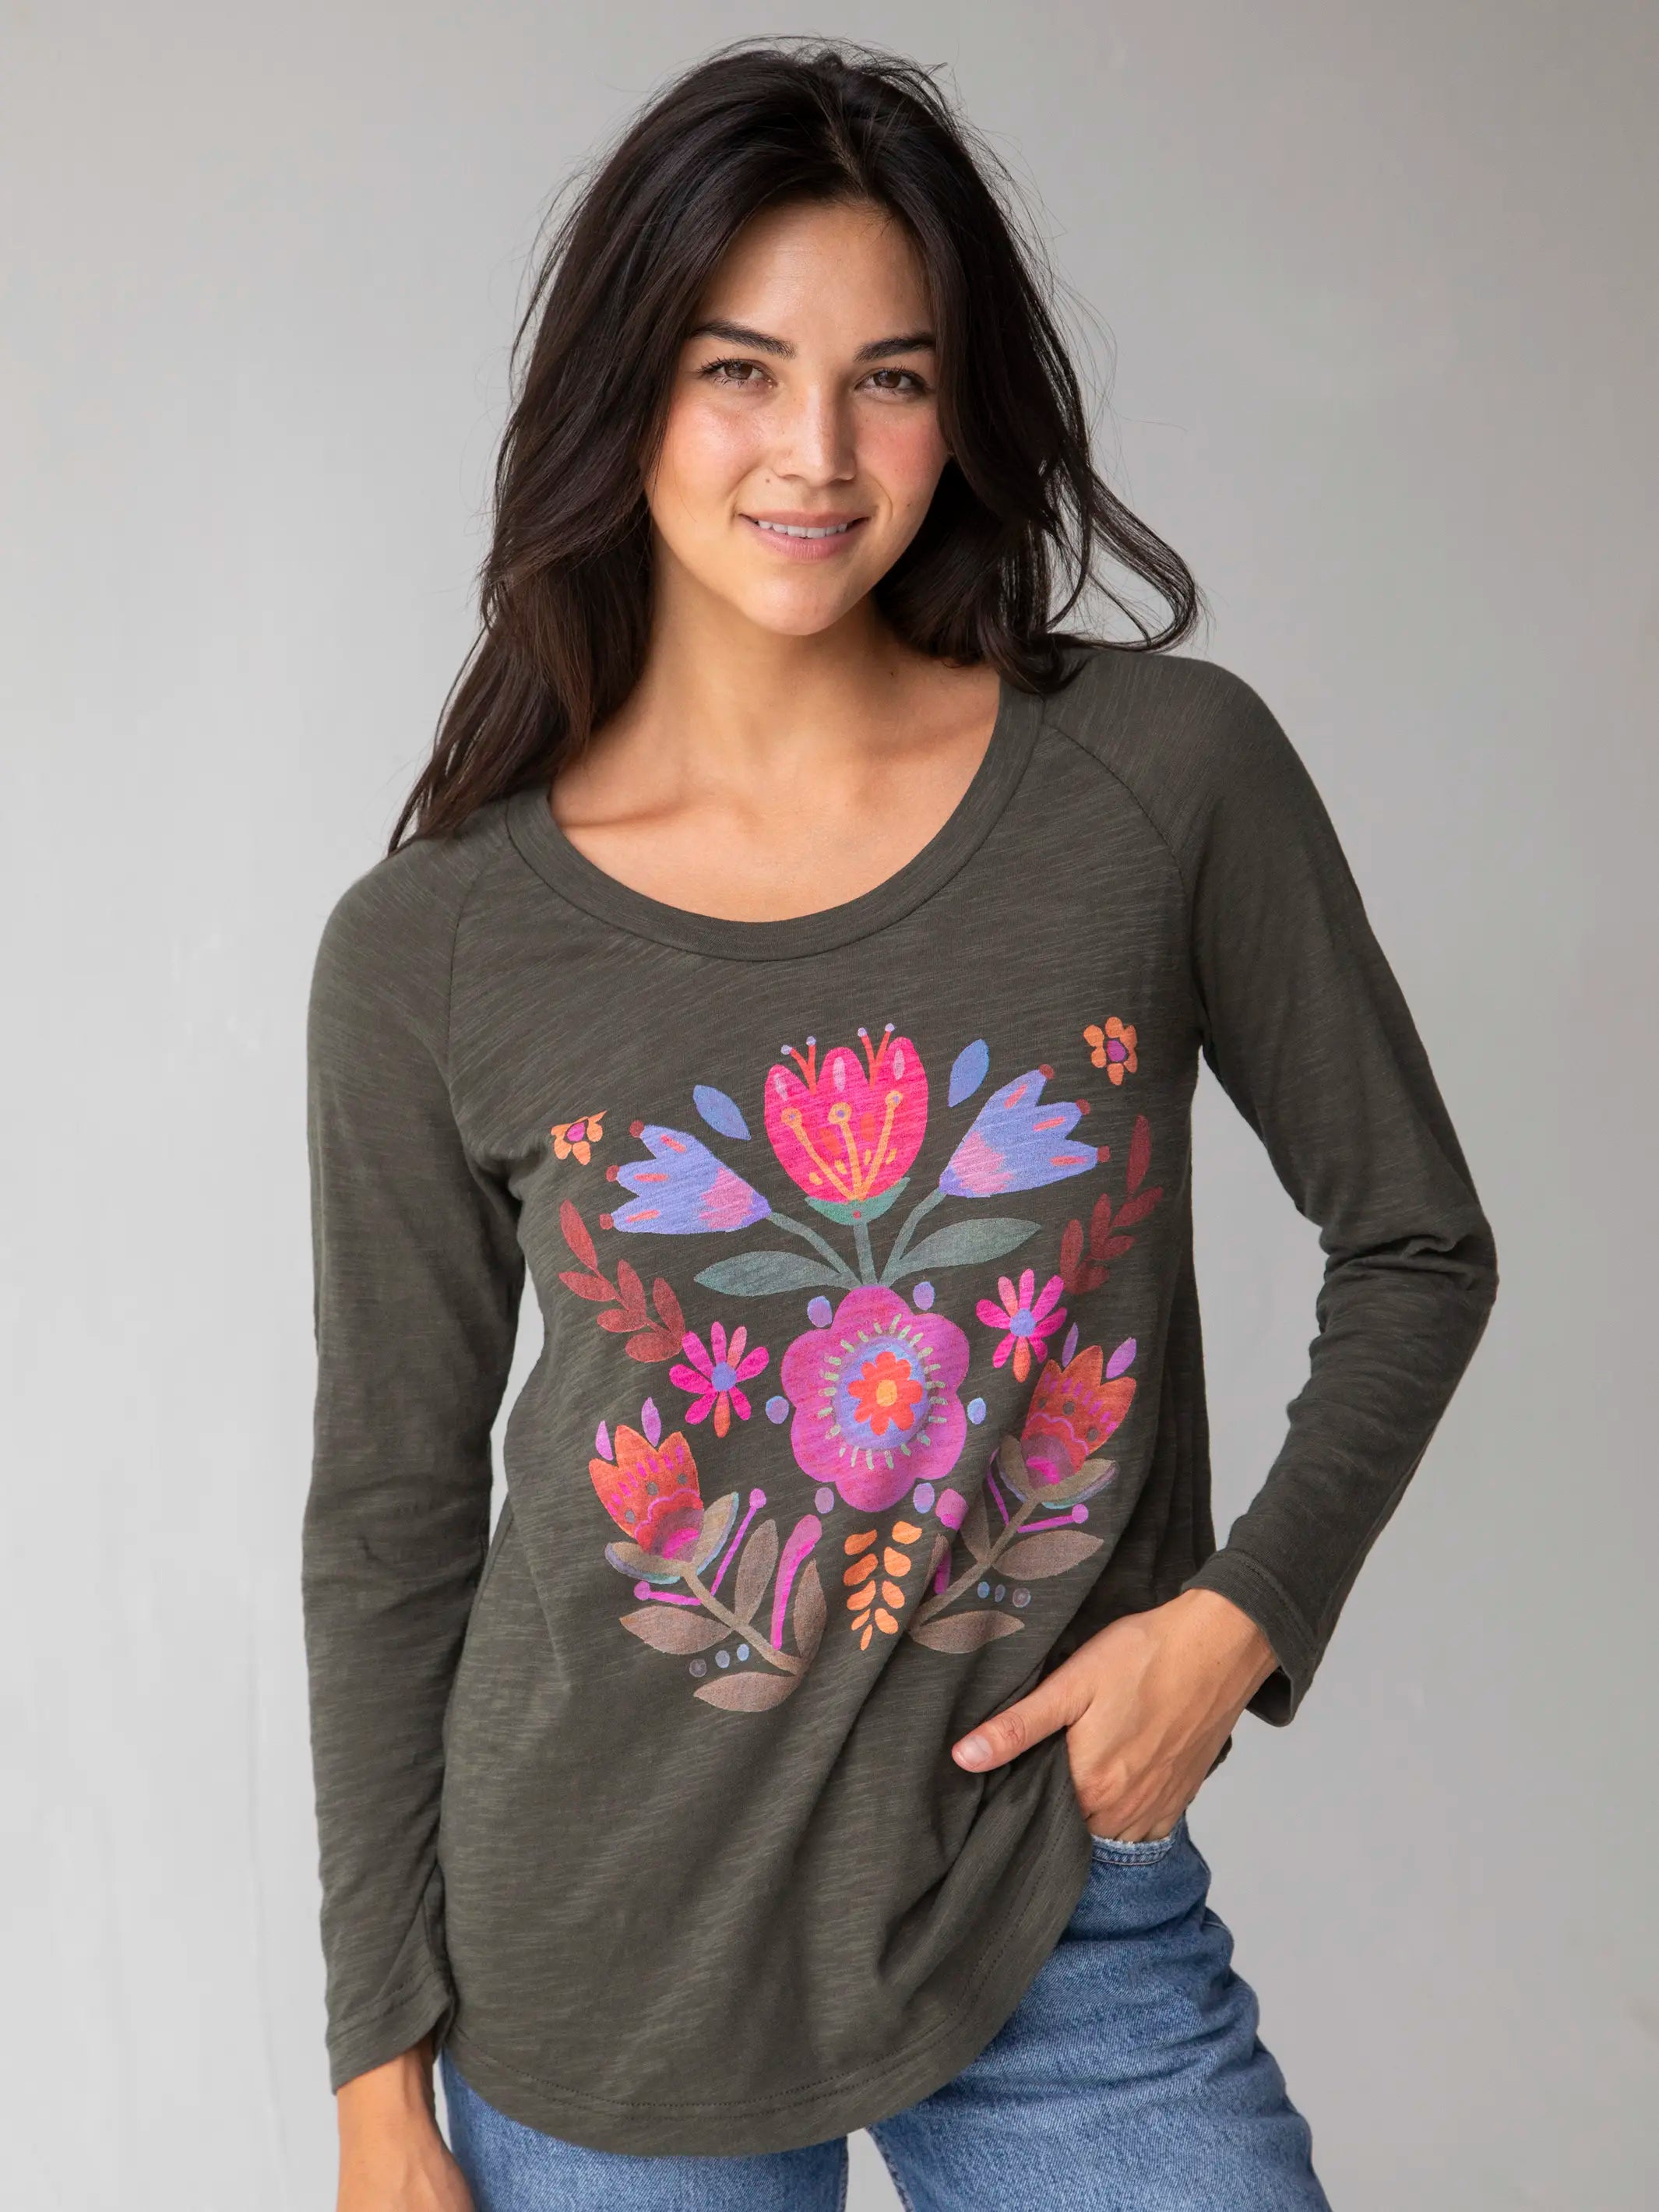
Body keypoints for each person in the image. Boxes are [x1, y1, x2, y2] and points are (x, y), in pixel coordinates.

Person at [301, 38, 1498, 2212]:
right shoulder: (436, 943)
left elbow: (1415, 1242)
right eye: (738, 372)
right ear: (622, 395)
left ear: (962, 413)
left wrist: (1237, 1620)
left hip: (1049, 1901)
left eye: (892, 379)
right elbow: (392, 1526)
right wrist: (380, 2092)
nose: (818, 454)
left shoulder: (1158, 782)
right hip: (593, 1968)